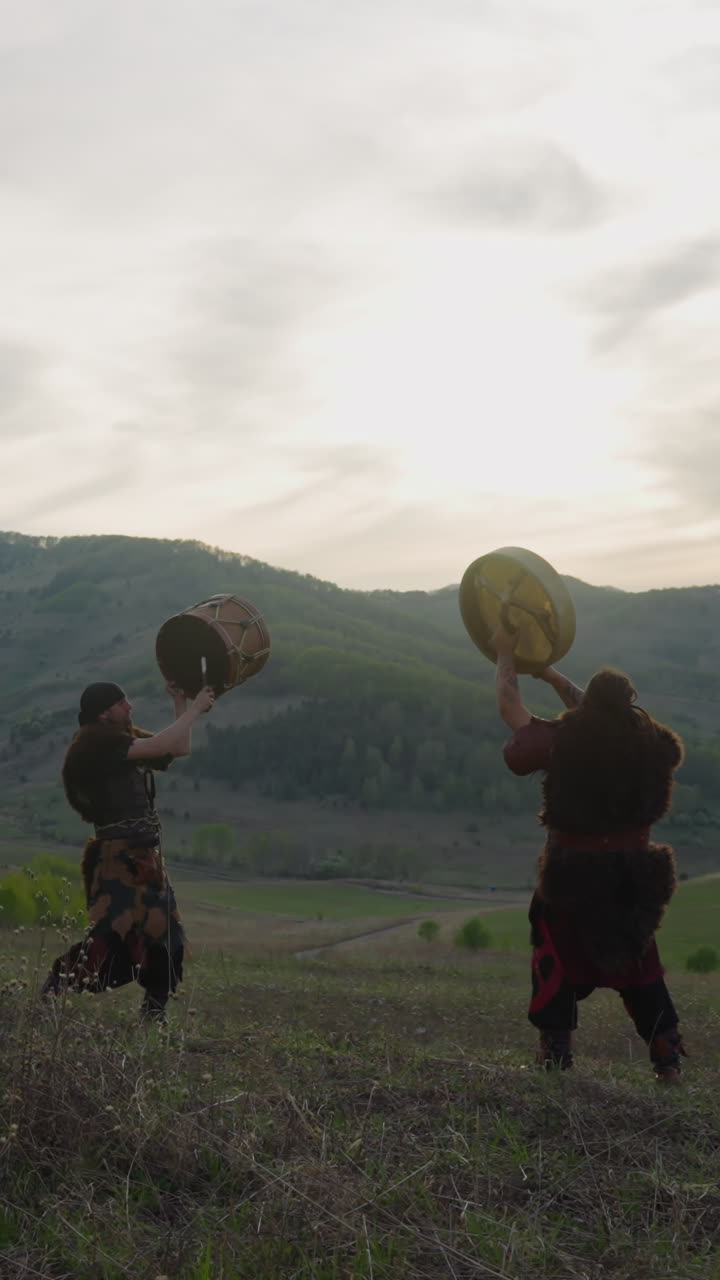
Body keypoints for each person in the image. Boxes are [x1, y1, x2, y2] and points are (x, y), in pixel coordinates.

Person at [492, 624, 686, 1083]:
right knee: (642, 968)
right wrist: (552, 674)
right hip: (633, 875)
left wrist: (505, 655)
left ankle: (555, 1057)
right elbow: (599, 712)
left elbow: (509, 706)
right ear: (629, 704)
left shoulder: (565, 741)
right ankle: (668, 1065)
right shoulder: (651, 742)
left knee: (553, 958)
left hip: (571, 875)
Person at [41, 679, 214, 1022]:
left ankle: (154, 1013)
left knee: (167, 937)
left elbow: (177, 748)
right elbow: (163, 743)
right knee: (113, 939)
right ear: (105, 712)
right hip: (116, 859)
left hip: (144, 856)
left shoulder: (116, 738)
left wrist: (181, 702)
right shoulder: (94, 743)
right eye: (123, 703)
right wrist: (194, 710)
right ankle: (56, 985)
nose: (130, 707)